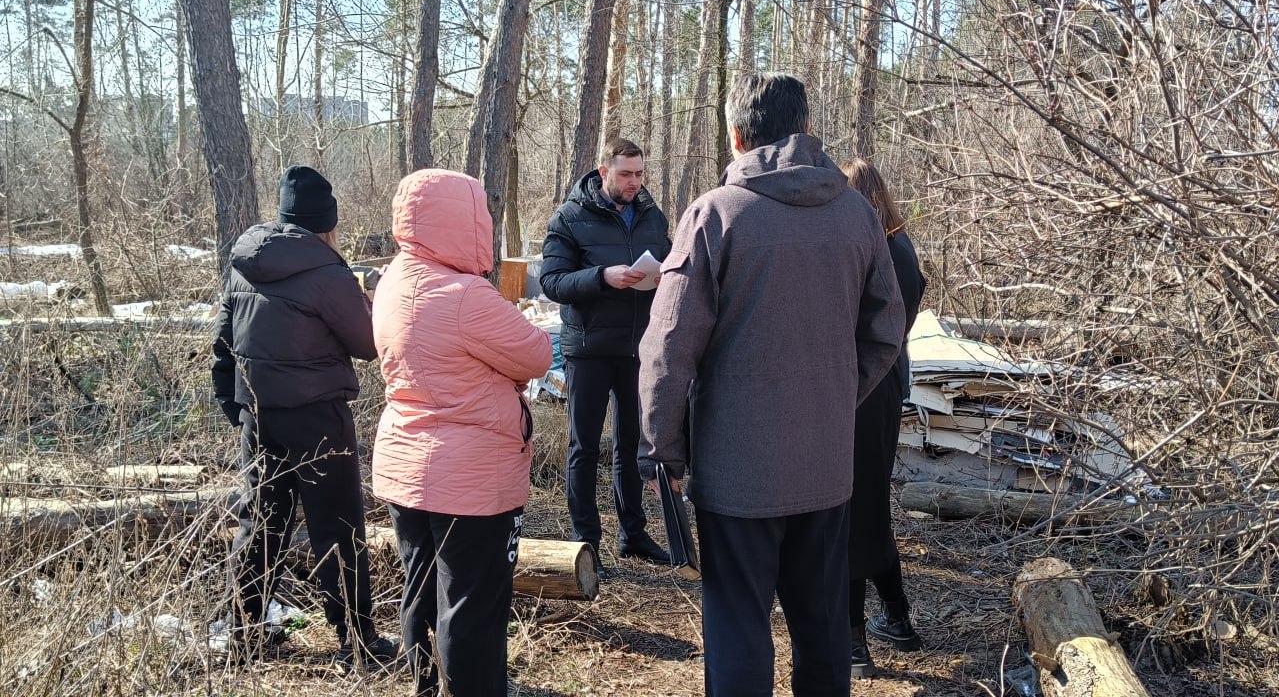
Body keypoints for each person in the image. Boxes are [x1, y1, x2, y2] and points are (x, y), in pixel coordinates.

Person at [637, 73, 906, 697]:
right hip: (825, 465)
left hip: (737, 471)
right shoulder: (858, 215)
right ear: (805, 129)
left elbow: (668, 347)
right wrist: (835, 399)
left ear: (736, 136)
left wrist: (661, 449)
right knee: (822, 624)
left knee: (737, 625)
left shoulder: (716, 215)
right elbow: (886, 331)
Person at [371, 169, 552, 697]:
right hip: (469, 478)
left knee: (422, 587)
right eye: (483, 215)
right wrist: (506, 372)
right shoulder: (464, 295)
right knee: (472, 603)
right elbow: (538, 353)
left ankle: (425, 686)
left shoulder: (394, 280)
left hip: (406, 466)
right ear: (464, 222)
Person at [211, 165, 398, 665]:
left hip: (259, 414)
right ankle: (358, 642)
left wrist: (236, 406)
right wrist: (369, 298)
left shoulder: (244, 262)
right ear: (326, 224)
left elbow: (223, 343)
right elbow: (367, 343)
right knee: (337, 527)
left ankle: (245, 633)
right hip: (318, 416)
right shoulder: (328, 273)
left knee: (261, 522)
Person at [540, 137, 673, 570]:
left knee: (632, 444)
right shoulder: (571, 217)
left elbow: (671, 263)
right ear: (604, 173)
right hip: (589, 349)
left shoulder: (653, 216)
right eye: (625, 174)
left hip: (638, 348)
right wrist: (602, 276)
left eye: (639, 173)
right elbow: (553, 282)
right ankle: (586, 543)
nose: (634, 182)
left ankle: (632, 534)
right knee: (584, 446)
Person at [841, 158, 927, 678]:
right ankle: (898, 617)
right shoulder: (900, 246)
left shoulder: (875, 251)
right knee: (869, 506)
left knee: (850, 508)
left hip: (862, 388)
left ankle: (853, 641)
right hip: (886, 386)